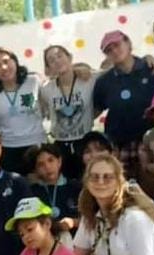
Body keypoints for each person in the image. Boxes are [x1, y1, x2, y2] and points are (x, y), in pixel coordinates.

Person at [93, 30, 154, 181]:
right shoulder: (104, 81)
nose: (114, 51)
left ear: (128, 43)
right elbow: (95, 110)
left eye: (117, 45)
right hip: (120, 144)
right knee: (123, 191)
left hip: (153, 141)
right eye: (108, 50)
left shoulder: (152, 68)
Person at [0, 47, 46, 175]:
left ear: (15, 62)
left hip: (37, 145)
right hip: (9, 150)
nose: (3, 68)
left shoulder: (33, 81)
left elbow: (57, 80)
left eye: (6, 61)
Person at [40, 45, 97, 179]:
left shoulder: (89, 79)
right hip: (60, 144)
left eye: (60, 56)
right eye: (51, 60)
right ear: (48, 68)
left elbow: (111, 68)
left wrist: (149, 58)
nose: (57, 61)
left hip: (85, 142)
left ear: (69, 57)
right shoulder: (45, 89)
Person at [26, 144, 81, 247]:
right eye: (41, 164)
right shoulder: (32, 193)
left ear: (59, 162)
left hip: (76, 244)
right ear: (35, 170)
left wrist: (73, 222)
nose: (47, 167)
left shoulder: (76, 187)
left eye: (51, 160)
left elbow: (91, 220)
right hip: (44, 246)